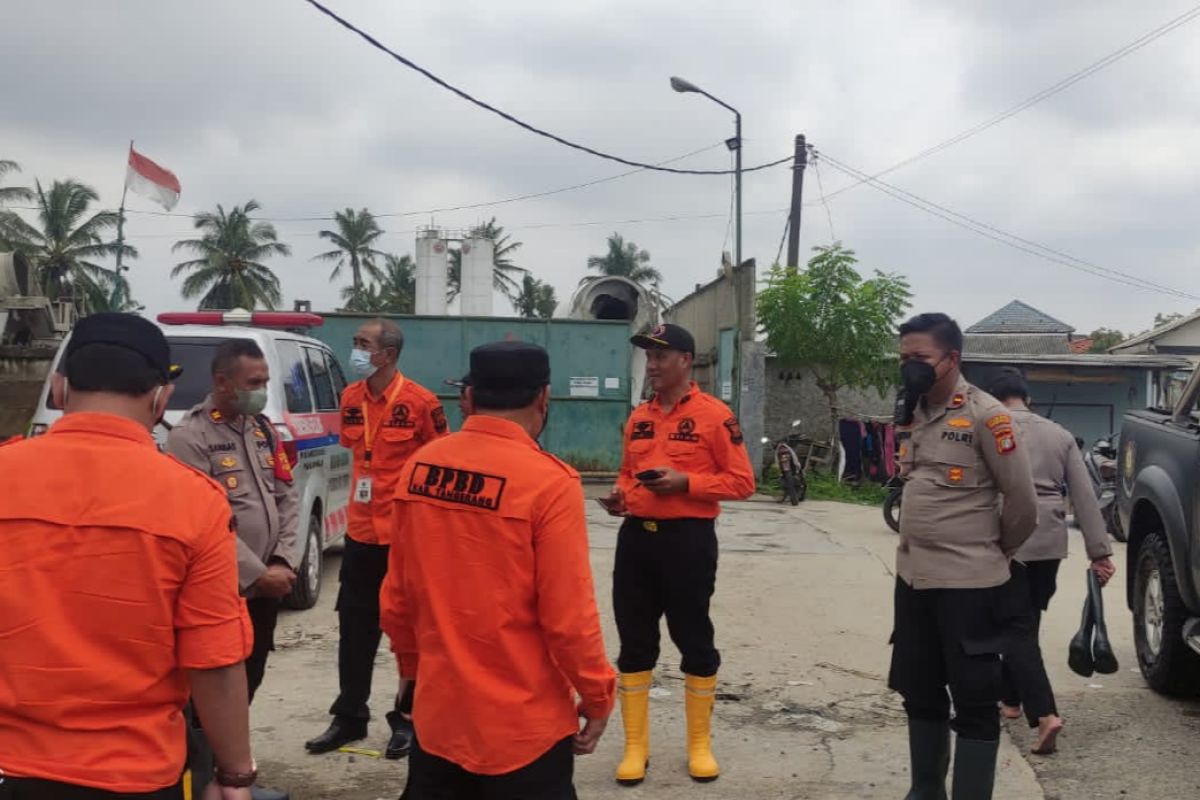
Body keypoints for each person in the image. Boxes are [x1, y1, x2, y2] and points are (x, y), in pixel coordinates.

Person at [0, 313, 257, 800]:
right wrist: (235, 774)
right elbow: (214, 663)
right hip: (132, 773)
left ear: (59, 388)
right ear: (161, 400)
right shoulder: (193, 502)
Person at [382, 341, 615, 799]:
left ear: (471, 396)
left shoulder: (420, 468)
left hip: (440, 719)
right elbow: (568, 619)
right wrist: (597, 696)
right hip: (523, 731)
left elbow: (397, 596)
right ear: (543, 397)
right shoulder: (550, 482)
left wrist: (413, 673)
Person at [599, 323, 756, 785]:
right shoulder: (639, 417)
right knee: (635, 641)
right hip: (636, 541)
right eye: (648, 356)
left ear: (685, 360)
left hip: (688, 541)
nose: (651, 364)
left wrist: (688, 482)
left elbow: (743, 482)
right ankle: (635, 748)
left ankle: (699, 746)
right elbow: (628, 472)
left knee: (694, 638)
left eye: (660, 356)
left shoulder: (714, 416)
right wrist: (620, 495)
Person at [890, 313, 1039, 800]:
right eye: (904, 358)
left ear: (951, 359)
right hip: (914, 581)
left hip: (970, 588)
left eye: (920, 359)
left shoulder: (987, 415)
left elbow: (1022, 503)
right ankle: (924, 791)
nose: (909, 367)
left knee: (974, 700)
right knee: (919, 691)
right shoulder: (911, 410)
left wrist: (993, 554)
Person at [306, 319, 448, 759]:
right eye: (356, 344)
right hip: (361, 535)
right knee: (354, 628)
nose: (356, 350)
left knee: (408, 632)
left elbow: (440, 461)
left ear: (387, 354)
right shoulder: (350, 399)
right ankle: (349, 716)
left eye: (363, 344)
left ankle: (406, 720)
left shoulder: (420, 402)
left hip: (406, 538)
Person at [166, 340, 299, 800]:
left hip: (266, 587)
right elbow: (201, 520)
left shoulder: (263, 430)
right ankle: (205, 780)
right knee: (209, 693)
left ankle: (229, 769)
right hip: (222, 590)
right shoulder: (191, 437)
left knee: (250, 679)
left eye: (265, 381)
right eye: (254, 383)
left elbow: (288, 497)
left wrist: (284, 561)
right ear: (222, 382)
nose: (262, 390)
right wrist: (254, 573)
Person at [985, 368, 1116, 755]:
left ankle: (1045, 714)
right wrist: (1100, 552)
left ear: (994, 398)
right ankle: (1010, 700)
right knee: (1024, 622)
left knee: (1015, 628)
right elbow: (1085, 496)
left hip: (1005, 537)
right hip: (1049, 541)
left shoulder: (988, 426)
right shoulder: (1059, 435)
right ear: (1027, 397)